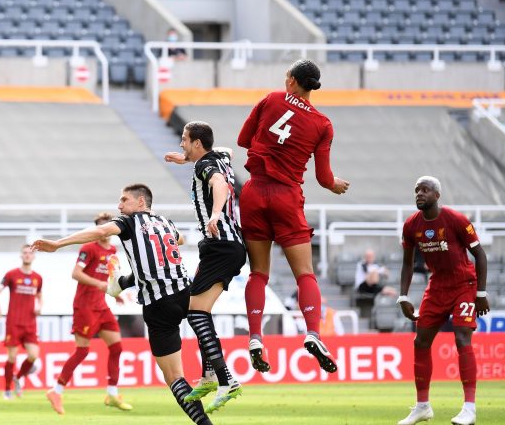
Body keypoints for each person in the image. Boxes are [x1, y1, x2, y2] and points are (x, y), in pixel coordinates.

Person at [33, 184, 214, 425]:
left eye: (124, 200)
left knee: (173, 377)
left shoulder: (128, 223)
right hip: (184, 292)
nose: (119, 206)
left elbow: (99, 232)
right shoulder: (165, 222)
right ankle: (212, 373)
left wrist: (58, 244)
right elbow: (179, 239)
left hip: (157, 305)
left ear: (140, 202)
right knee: (203, 323)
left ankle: (204, 422)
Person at [236, 59, 350, 373]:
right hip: (286, 197)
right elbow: (325, 178)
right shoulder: (322, 124)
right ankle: (313, 332)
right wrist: (335, 185)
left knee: (258, 273)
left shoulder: (271, 99)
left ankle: (256, 337)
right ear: (312, 87)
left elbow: (243, 140)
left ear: (290, 80)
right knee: (305, 274)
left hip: (254, 192)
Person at [164, 121, 245, 413]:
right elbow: (228, 152)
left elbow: (219, 184)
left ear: (198, 142)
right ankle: (210, 375)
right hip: (227, 247)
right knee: (196, 309)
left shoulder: (206, 166)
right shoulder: (218, 157)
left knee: (195, 312)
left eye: (185, 141)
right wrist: (184, 158)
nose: (182, 144)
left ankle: (224, 379)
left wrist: (214, 213)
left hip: (220, 245)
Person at [396, 176, 489, 425]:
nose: (419, 194)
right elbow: (407, 264)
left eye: (425, 190)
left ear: (437, 195)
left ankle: (469, 408)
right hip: (437, 286)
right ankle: (422, 407)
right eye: (416, 190)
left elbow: (480, 255)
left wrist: (481, 293)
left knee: (461, 338)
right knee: (421, 341)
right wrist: (403, 296)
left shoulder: (456, 220)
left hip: (464, 285)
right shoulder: (410, 225)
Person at [44, 213, 132, 414]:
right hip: (85, 306)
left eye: (106, 226)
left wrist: (114, 293)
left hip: (101, 306)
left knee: (117, 348)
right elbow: (76, 274)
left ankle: (112, 393)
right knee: (82, 351)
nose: (104, 231)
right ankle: (56, 391)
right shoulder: (88, 248)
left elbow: (108, 277)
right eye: (100, 226)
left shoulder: (112, 250)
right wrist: (100, 284)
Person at [0, 244, 43, 400]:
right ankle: (7, 390)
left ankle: (18, 377)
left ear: (34, 257)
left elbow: (40, 296)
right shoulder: (11, 275)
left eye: (30, 253)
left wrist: (39, 307)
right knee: (12, 358)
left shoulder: (37, 278)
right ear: (21, 256)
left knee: (33, 355)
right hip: (14, 322)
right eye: (25, 253)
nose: (27, 255)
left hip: (30, 323)